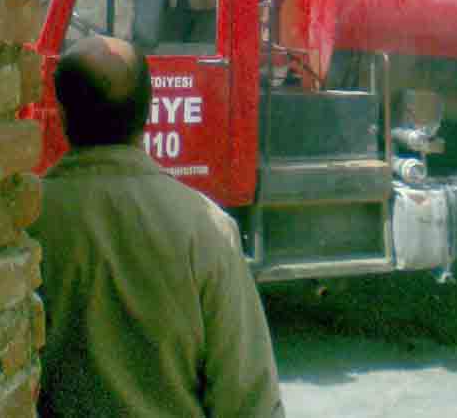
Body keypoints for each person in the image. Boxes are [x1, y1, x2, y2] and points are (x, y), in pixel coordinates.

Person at [32, 35, 285, 418]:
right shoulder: (208, 229)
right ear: (149, 112)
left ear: (63, 115)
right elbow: (247, 398)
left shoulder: (25, 224)